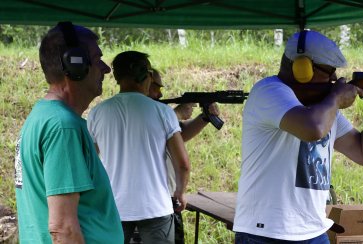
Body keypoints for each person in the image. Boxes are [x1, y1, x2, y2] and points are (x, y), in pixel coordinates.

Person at [233, 31, 363, 243]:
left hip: (314, 230)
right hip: (267, 233)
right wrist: (335, 98)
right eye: (330, 71)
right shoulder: (268, 91)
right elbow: (313, 128)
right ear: (302, 67)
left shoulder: (323, 108)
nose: (335, 78)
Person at [14, 22, 123, 243]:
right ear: (75, 63)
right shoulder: (63, 127)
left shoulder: (43, 117)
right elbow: (62, 229)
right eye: (97, 58)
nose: (106, 68)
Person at [87, 51, 191, 244]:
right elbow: (183, 163)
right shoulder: (163, 112)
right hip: (156, 207)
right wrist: (180, 192)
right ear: (142, 73)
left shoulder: (97, 113)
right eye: (150, 72)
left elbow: (90, 163)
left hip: (113, 207)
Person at [147, 69, 220, 244]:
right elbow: (155, 127)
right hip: (153, 203)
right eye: (156, 87)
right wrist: (176, 113)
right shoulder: (144, 113)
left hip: (165, 199)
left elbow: (181, 133)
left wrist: (204, 117)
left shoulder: (161, 114)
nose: (161, 93)